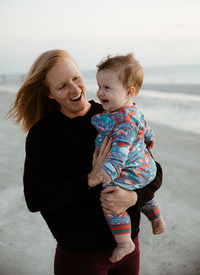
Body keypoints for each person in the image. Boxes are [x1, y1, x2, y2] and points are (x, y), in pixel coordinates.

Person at [8, 49, 163, 275]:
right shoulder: (43, 134)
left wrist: (133, 197)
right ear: (49, 94)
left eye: (76, 78)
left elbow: (153, 170)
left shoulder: (115, 114)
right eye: (62, 86)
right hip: (80, 255)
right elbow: (35, 198)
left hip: (129, 246)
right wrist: (90, 179)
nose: (74, 89)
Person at [91, 54, 166, 263]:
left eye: (107, 87)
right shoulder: (134, 111)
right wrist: (149, 141)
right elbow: (147, 129)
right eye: (99, 86)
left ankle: (124, 242)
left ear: (129, 92)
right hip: (145, 168)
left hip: (129, 169)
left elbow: (120, 152)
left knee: (111, 199)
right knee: (140, 194)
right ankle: (156, 218)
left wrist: (109, 172)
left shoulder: (123, 123)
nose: (99, 92)